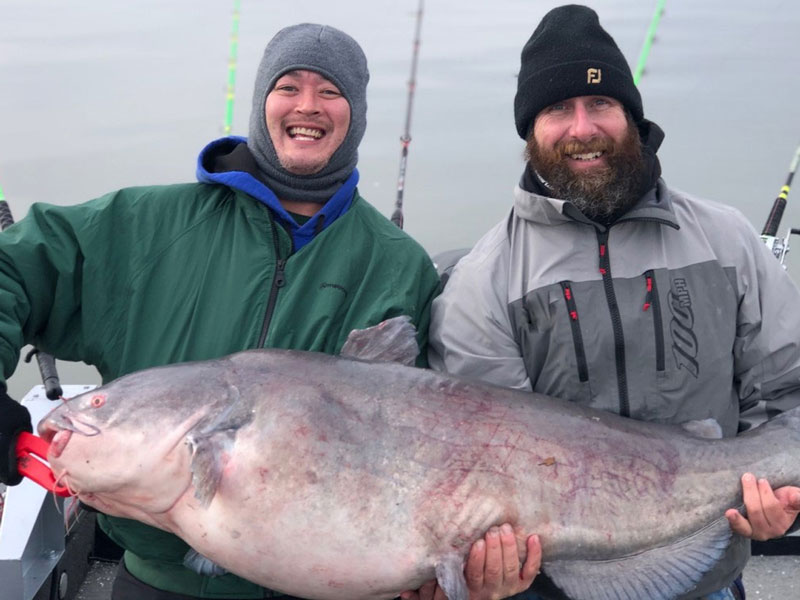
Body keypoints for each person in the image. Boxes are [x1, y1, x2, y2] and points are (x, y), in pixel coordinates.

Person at [0, 23, 440, 600]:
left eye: (330, 92)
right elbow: (13, 267)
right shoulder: (147, 227)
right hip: (157, 580)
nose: (308, 105)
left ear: (354, 113)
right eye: (289, 85)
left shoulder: (399, 266)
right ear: (263, 102)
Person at [426, 5, 800, 600]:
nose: (582, 128)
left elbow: (789, 399)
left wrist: (782, 501)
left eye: (600, 103)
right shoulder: (483, 283)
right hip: (550, 585)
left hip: (706, 566)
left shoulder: (728, 242)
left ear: (630, 116)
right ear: (530, 131)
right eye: (557, 109)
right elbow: (486, 465)